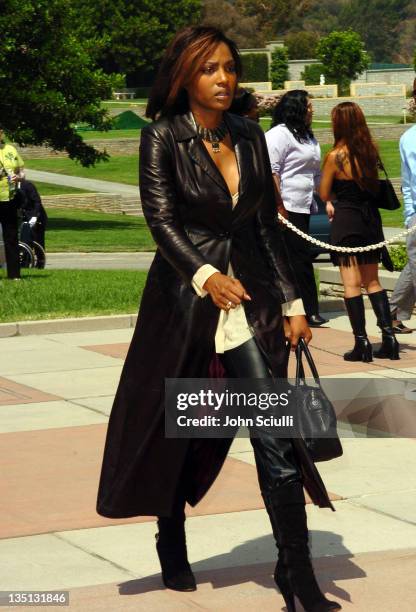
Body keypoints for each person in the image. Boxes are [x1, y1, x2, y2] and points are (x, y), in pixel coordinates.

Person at [96, 26, 340, 612]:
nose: (225, 78)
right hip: (185, 303)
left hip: (250, 304)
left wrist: (292, 302)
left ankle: (295, 574)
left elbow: (262, 226)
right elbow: (162, 221)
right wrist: (205, 276)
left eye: (230, 67)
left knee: (276, 434)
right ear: (185, 76)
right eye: (210, 69)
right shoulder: (161, 138)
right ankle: (170, 527)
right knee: (185, 427)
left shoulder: (251, 136)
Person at [319, 101, 399, 361]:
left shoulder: (335, 156)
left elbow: (323, 192)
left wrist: (333, 196)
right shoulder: (370, 152)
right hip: (370, 221)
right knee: (373, 281)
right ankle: (389, 338)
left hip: (348, 220)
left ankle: (361, 343)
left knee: (351, 285)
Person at [265, 91, 328, 328]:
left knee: (302, 259)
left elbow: (316, 172)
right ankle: (298, 310)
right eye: (308, 105)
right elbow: (272, 171)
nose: (312, 109)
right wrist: (278, 206)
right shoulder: (279, 135)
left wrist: (328, 200)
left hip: (304, 206)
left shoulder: (307, 137)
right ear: (297, 108)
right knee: (291, 260)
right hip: (286, 207)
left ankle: (308, 308)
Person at [388, 80, 416, 334]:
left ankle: (392, 312)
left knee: (413, 264)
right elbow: (407, 183)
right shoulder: (408, 138)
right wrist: (410, 215)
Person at [0, 128, 24, 279]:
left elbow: (21, 170)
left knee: (11, 236)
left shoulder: (10, 149)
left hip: (9, 198)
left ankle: (14, 275)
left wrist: (19, 177)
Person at [15, 178, 48, 250]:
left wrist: (35, 216)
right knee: (26, 240)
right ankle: (26, 260)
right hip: (24, 216)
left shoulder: (28, 185)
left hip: (37, 216)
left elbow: (37, 201)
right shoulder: (12, 188)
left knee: (38, 241)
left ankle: (40, 260)